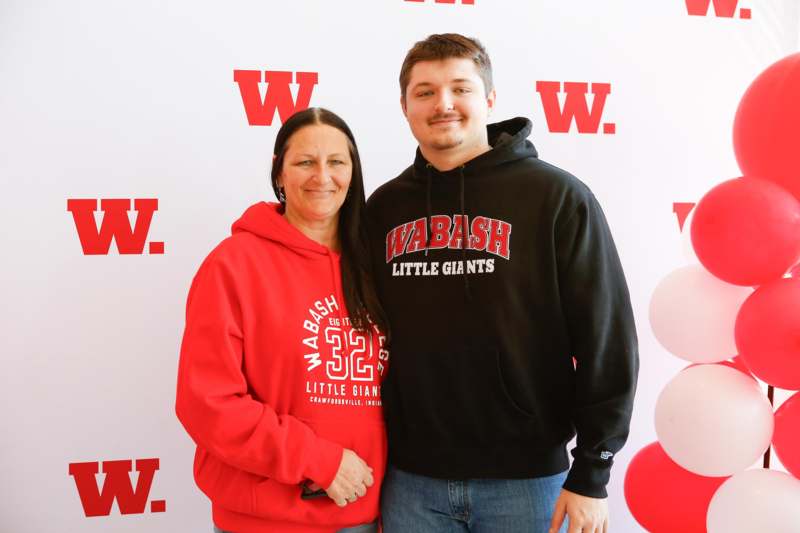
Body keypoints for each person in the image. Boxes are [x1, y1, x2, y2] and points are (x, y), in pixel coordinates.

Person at [366, 34, 639, 533]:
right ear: (404, 105)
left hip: (529, 481)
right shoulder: (383, 210)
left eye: (460, 88)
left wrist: (593, 474)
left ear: (488, 100)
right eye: (424, 91)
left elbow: (607, 338)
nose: (443, 104)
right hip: (411, 481)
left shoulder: (556, 197)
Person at [176, 107, 390, 533]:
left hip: (360, 514)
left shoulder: (374, 268)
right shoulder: (233, 265)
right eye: (305, 162)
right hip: (264, 519)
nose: (322, 176)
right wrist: (319, 461)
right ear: (279, 173)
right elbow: (207, 403)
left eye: (337, 162)